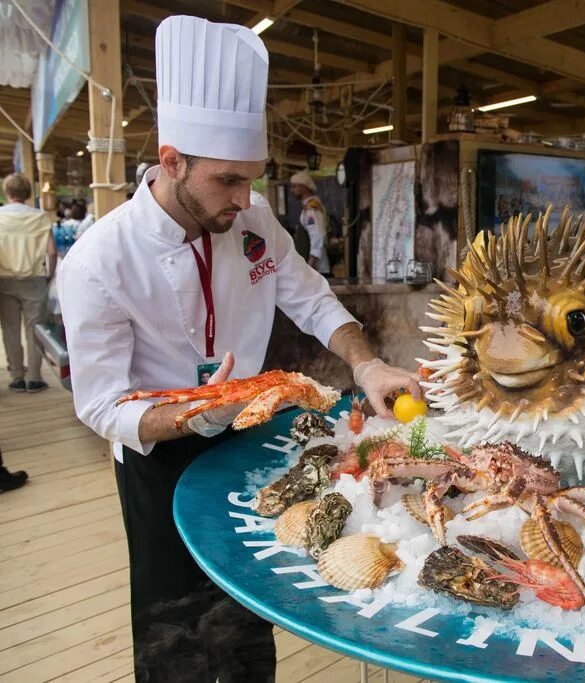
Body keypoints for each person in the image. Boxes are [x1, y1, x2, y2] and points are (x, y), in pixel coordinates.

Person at [58, 16, 421, 683]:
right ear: (172, 162)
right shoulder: (97, 263)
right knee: (175, 629)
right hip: (158, 457)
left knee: (249, 610)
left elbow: (311, 298)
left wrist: (366, 363)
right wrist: (194, 414)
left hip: (247, 439)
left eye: (251, 179)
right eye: (228, 181)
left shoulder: (249, 219)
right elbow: (102, 404)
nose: (245, 198)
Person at [0, 172, 56, 393]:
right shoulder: (40, 217)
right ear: (28, 193)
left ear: (7, 192)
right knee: (35, 329)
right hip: (35, 279)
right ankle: (34, 377)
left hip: (4, 280)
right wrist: (49, 275)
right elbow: (51, 252)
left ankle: (16, 376)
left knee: (10, 329)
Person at [289, 171, 330, 275]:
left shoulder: (312, 208)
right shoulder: (307, 207)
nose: (292, 191)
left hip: (316, 269)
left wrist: (310, 264)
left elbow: (317, 235)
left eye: (294, 186)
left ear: (303, 186)